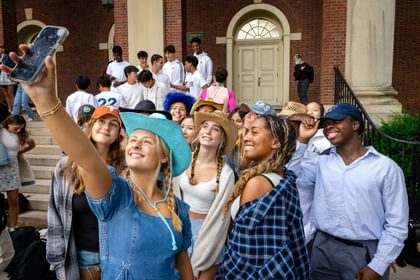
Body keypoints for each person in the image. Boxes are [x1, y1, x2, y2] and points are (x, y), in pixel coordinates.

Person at [4, 47, 194, 279]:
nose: (135, 144)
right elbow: (86, 159)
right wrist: (46, 101)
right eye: (133, 139)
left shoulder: (178, 208)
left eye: (146, 141)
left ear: (164, 156)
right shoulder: (116, 193)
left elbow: (183, 264)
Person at [297, 103, 409, 280]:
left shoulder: (385, 168)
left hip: (363, 252)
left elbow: (396, 223)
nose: (329, 127)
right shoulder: (321, 163)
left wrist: (378, 265)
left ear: (355, 125)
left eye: (337, 121)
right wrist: (302, 141)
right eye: (326, 124)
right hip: (322, 248)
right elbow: (292, 177)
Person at [218, 114, 311, 279]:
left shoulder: (258, 183)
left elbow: (245, 250)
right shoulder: (285, 178)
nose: (246, 137)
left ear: (275, 143)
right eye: (247, 132)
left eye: (254, 132)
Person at [47, 106, 124, 280]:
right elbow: (55, 218)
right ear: (91, 125)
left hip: (118, 256)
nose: (106, 127)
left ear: (119, 134)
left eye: (113, 124)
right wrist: (60, 267)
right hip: (80, 256)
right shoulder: (65, 166)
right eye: (101, 121)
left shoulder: (125, 168)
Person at [173, 110, 237, 279]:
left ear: (221, 139)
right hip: (179, 227)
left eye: (215, 129)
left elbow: (222, 217)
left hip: (208, 233)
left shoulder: (226, 173)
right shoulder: (183, 160)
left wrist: (213, 243)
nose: (208, 131)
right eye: (205, 126)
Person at [0, 115, 35, 229]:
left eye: (21, 128)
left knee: (14, 201)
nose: (19, 130)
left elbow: (32, 144)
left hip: (12, 170)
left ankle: (12, 226)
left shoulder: (21, 134)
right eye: (16, 128)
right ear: (8, 124)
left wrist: (20, 152)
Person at [0, 47, 16, 112]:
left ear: (2, 49)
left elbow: (13, 65)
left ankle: (15, 109)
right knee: (6, 94)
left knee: (10, 94)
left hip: (8, 77)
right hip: (1, 77)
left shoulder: (7, 56)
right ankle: (9, 109)